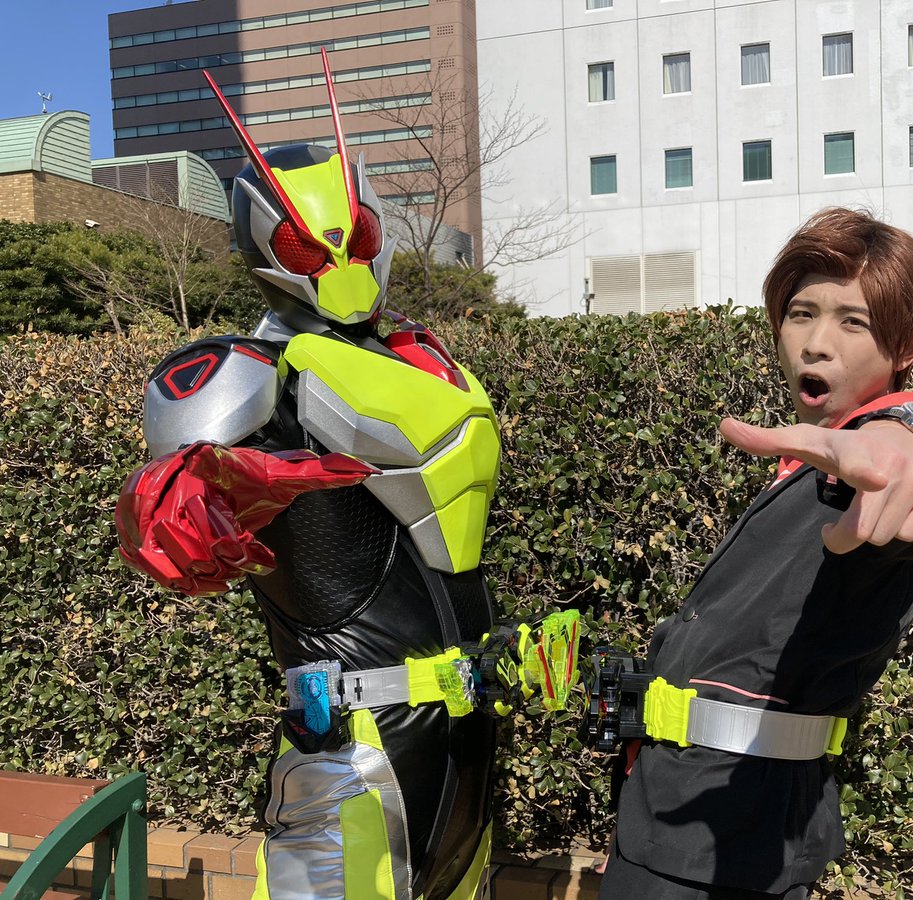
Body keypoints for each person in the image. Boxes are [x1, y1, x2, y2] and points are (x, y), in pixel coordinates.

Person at [116, 52, 577, 900]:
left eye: (355, 238)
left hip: (466, 740)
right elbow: (167, 519)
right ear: (265, 247)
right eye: (309, 243)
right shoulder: (246, 375)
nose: (339, 260)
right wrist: (199, 500)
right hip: (354, 745)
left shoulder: (424, 359)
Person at [598, 207, 913, 899]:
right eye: (801, 314)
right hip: (668, 817)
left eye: (854, 322)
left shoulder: (867, 467)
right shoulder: (805, 467)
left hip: (729, 844)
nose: (816, 343)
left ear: (910, 343)